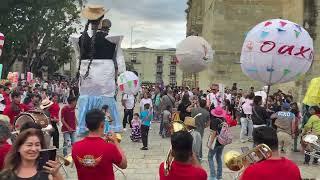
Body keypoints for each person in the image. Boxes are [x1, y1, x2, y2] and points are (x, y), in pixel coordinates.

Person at [70, 5, 125, 135]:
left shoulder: (79, 39)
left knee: (86, 99)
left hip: (86, 77)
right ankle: (106, 129)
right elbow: (120, 59)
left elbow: (78, 58)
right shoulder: (112, 38)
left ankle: (85, 127)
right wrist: (122, 75)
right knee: (106, 100)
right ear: (102, 19)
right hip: (105, 76)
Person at [72, 109, 127, 180]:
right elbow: (124, 164)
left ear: (86, 125)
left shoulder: (75, 147)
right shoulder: (109, 147)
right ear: (102, 125)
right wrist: (116, 142)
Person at [207, 106, 227, 180]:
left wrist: (210, 143)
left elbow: (214, 133)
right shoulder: (223, 120)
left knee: (210, 157)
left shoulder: (214, 121)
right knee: (218, 157)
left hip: (216, 141)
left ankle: (212, 176)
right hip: (222, 141)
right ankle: (219, 176)